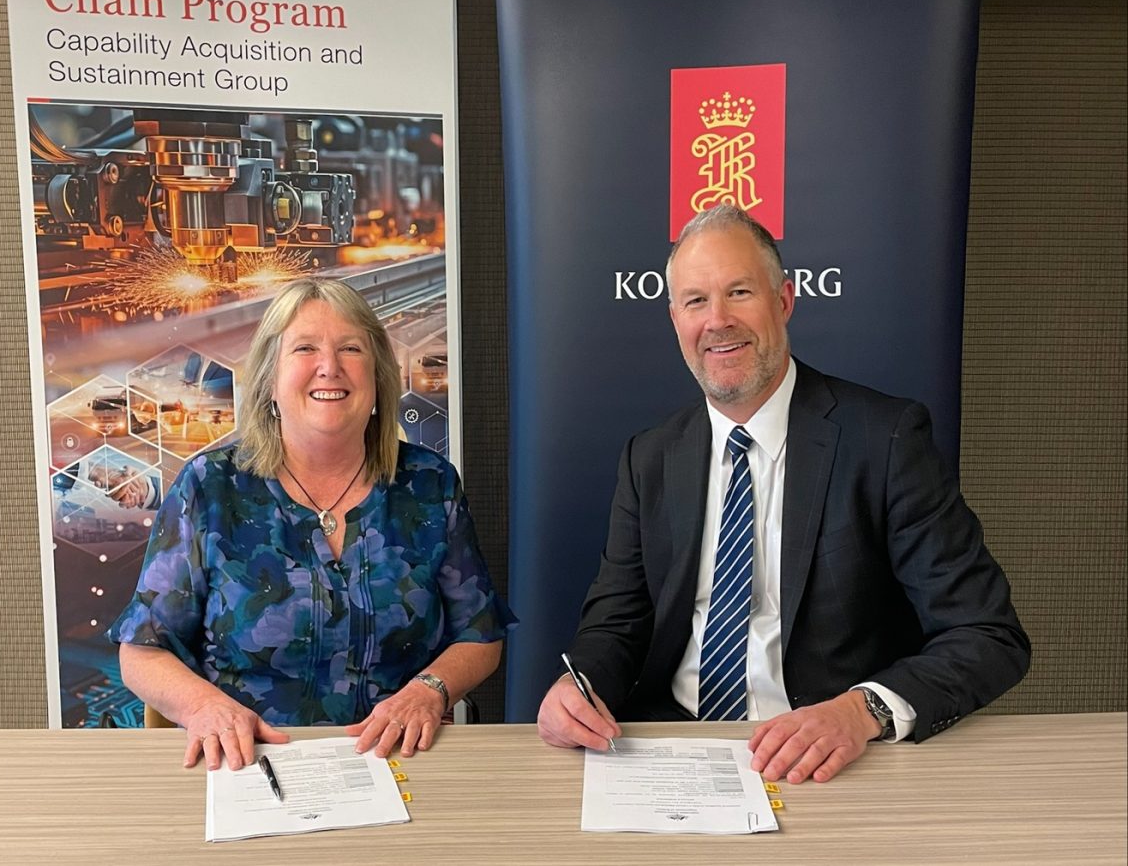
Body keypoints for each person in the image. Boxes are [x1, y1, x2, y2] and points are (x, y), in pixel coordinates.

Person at [537, 203, 1029, 784]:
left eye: (740, 292)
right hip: (673, 747)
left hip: (829, 754)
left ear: (784, 300)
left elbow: (986, 634)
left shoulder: (886, 439)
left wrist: (860, 710)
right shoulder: (650, 456)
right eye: (696, 301)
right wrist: (580, 684)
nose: (717, 320)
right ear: (675, 320)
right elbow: (617, 622)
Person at [110, 278, 515, 770]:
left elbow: (480, 634)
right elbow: (142, 651)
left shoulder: (430, 484)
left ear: (378, 378)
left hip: (402, 763)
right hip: (248, 765)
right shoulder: (208, 488)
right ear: (269, 379)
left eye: (351, 348)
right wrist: (204, 707)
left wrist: (430, 690)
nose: (330, 367)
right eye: (305, 348)